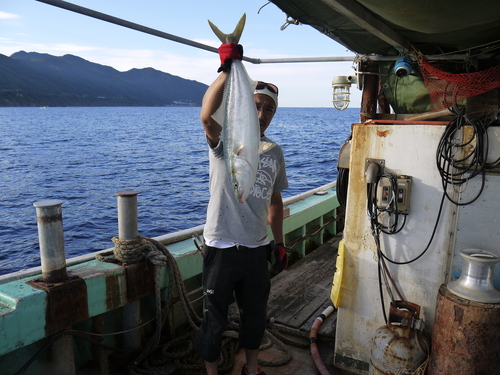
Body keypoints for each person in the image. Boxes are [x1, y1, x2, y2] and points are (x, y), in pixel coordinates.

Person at [194, 42, 289, 375]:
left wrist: (277, 243)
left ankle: (252, 369)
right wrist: (226, 70)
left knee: (255, 316)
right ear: (246, 107)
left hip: (256, 248)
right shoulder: (227, 143)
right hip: (221, 246)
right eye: (257, 106)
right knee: (214, 318)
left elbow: (275, 201)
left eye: (269, 109)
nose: (262, 114)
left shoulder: (275, 152)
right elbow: (207, 116)